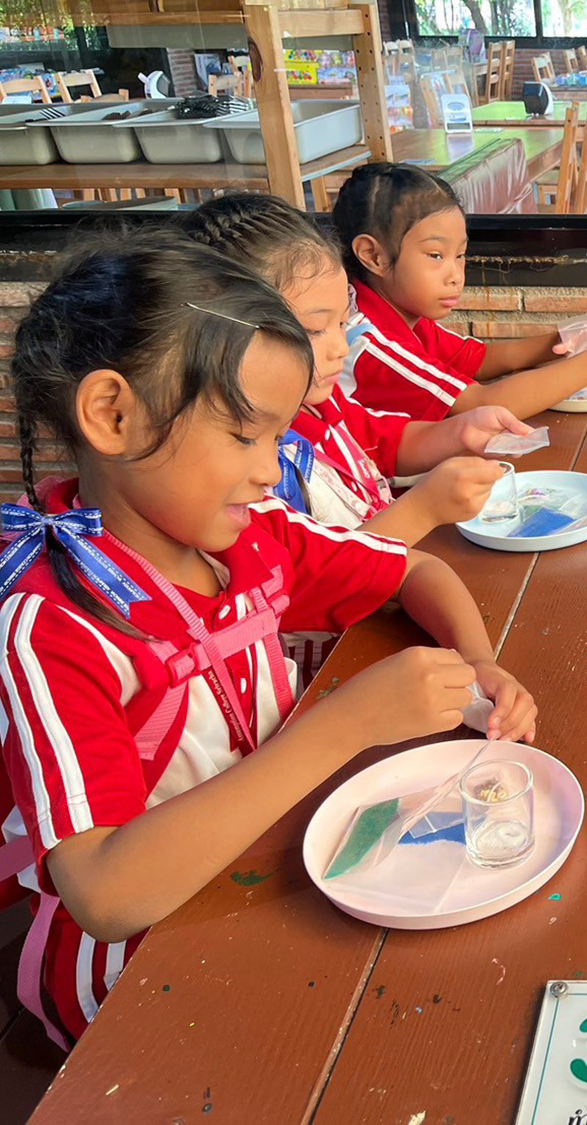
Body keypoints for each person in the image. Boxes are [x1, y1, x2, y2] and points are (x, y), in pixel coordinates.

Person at [0, 236, 537, 1048]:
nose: (269, 468)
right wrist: (347, 725)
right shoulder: (51, 624)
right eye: (245, 435)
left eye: (279, 436)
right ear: (113, 414)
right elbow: (106, 893)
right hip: (140, 979)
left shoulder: (252, 537)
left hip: (281, 866)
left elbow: (412, 570)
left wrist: (479, 660)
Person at [181, 192, 536, 547]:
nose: (341, 347)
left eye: (342, 323)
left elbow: (380, 441)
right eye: (314, 330)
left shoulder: (318, 401)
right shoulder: (250, 472)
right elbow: (321, 567)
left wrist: (460, 432)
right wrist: (423, 510)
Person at [332, 163, 587, 422]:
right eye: (436, 256)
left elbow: (475, 360)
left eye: (460, 255)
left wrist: (566, 341)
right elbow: (481, 405)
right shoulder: (368, 344)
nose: (456, 276)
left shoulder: (400, 313)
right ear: (373, 256)